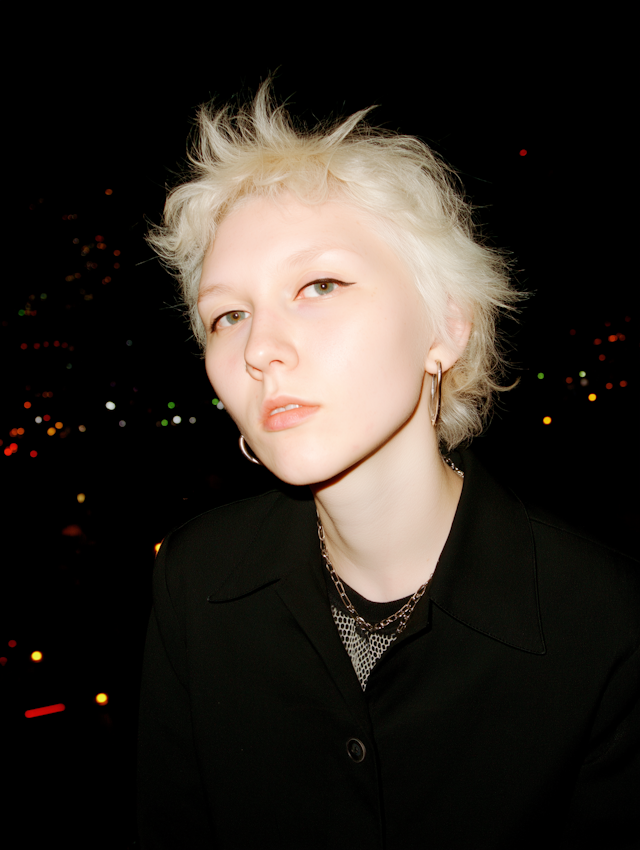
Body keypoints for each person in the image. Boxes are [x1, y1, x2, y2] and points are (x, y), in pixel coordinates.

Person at [137, 80, 639, 849]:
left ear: (446, 326)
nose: (260, 348)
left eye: (320, 285)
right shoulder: (192, 580)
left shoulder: (605, 622)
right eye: (228, 314)